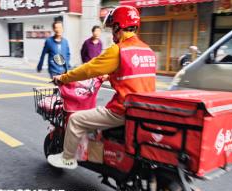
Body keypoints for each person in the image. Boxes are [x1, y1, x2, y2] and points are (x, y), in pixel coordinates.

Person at [47, 6, 156, 169]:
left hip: (122, 110)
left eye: (113, 28)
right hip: (143, 110)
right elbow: (134, 75)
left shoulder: (119, 50)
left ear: (119, 26)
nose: (112, 34)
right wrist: (109, 75)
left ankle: (67, 158)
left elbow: (88, 69)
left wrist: (63, 78)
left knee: (76, 120)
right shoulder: (147, 50)